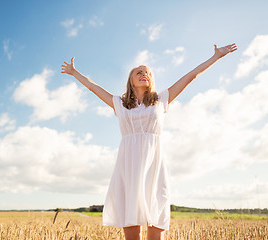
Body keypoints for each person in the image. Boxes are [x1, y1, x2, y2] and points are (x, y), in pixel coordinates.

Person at [61, 43, 237, 240]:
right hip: (128, 166)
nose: (144, 74)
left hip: (154, 164)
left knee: (156, 218)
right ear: (131, 80)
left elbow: (190, 76)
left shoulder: (161, 100)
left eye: (148, 72)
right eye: (139, 72)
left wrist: (216, 57)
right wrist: (74, 73)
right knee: (131, 225)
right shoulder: (119, 103)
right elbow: (93, 88)